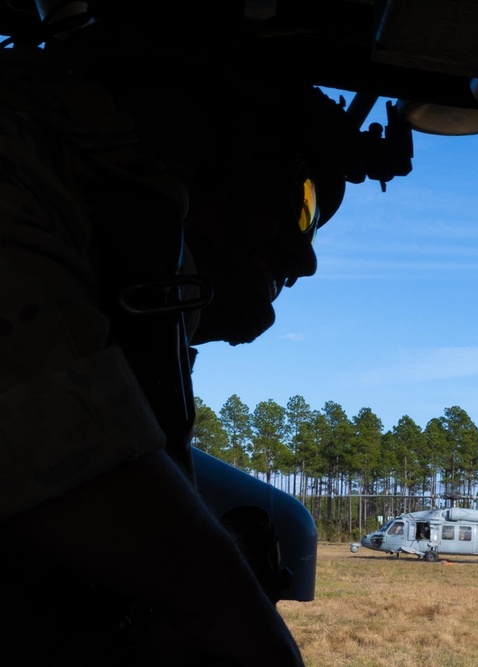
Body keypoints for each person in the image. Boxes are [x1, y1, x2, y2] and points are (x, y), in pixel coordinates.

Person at [0, 2, 367, 664]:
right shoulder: (17, 172)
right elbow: (205, 599)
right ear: (186, 131)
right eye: (303, 199)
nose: (305, 254)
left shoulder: (115, 293)